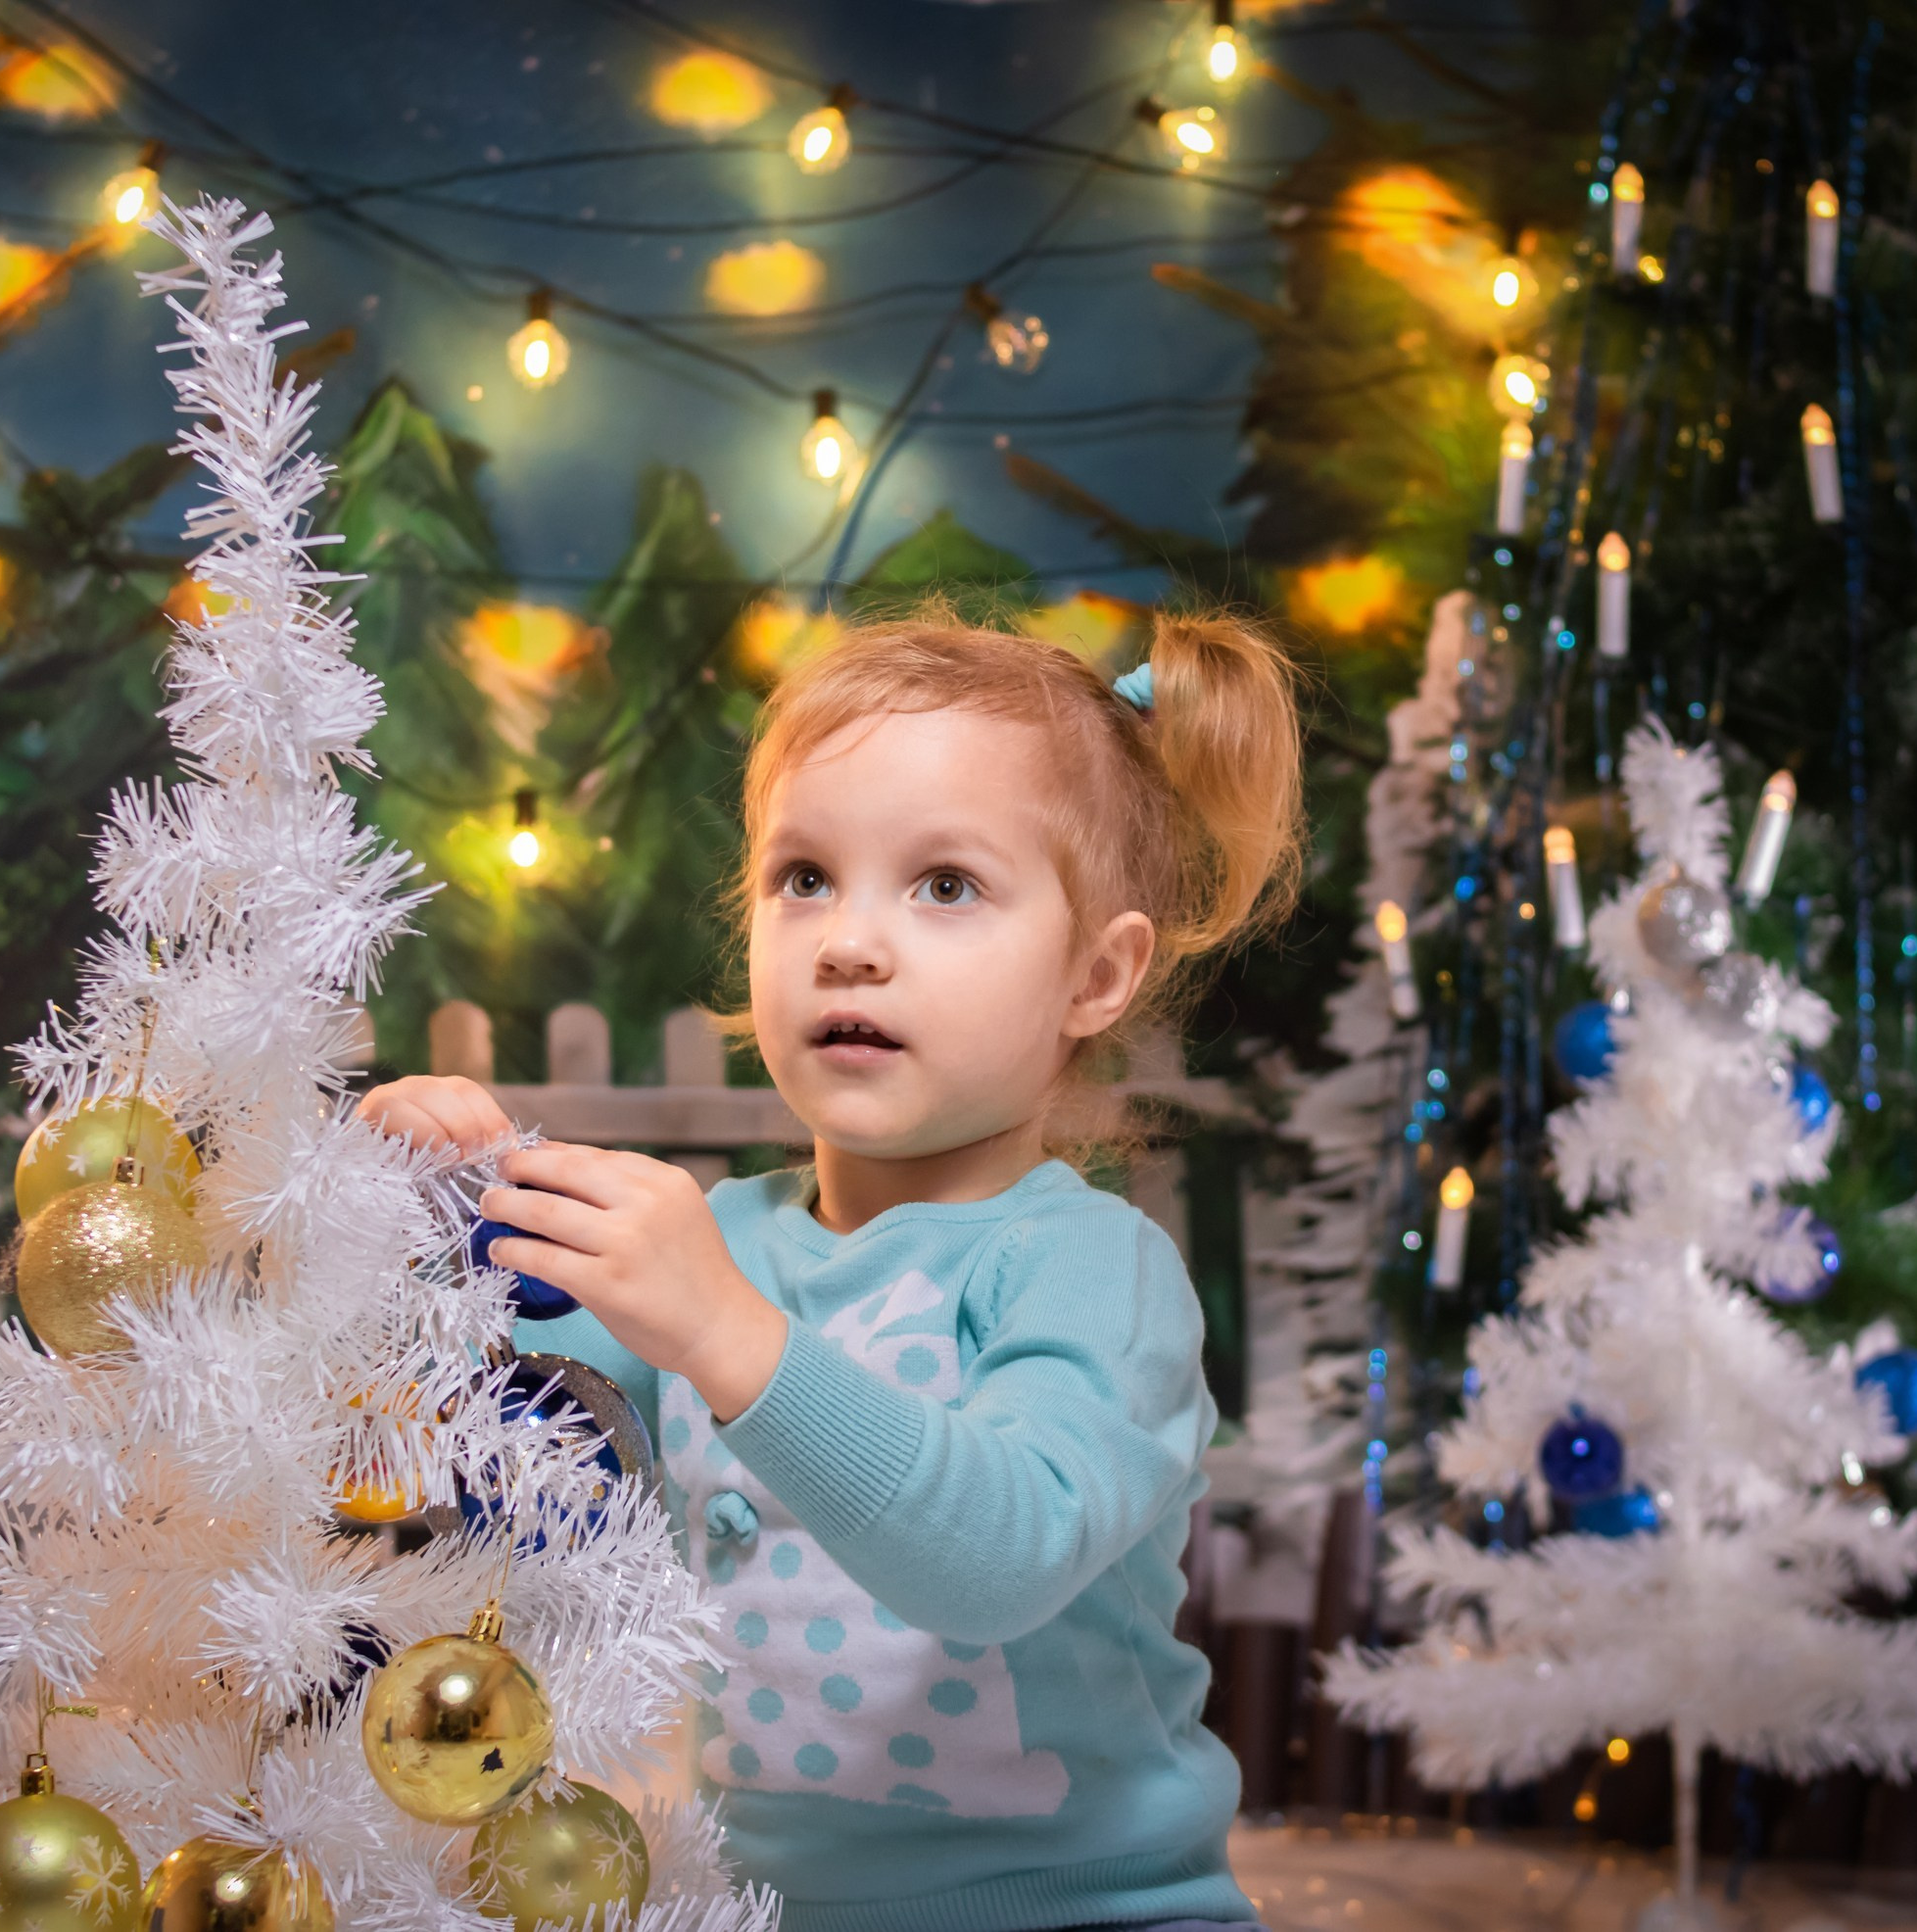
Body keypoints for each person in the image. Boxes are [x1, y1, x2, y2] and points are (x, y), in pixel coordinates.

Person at [359, 608, 1304, 1932]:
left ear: (1095, 974)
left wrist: (729, 1337)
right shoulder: (717, 1248)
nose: (852, 939)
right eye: (806, 876)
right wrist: (416, 1222)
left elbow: (1001, 1558)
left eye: (947, 885)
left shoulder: (1091, 1270)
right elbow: (497, 1459)